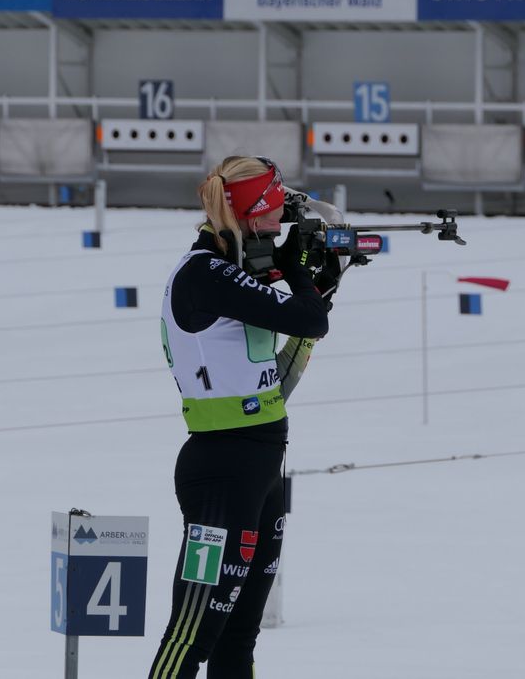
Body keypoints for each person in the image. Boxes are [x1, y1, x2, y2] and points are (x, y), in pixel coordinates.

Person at [148, 155, 340, 679]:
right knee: (192, 634)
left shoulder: (229, 273)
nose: (280, 227)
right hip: (222, 470)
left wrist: (320, 280)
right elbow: (305, 318)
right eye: (275, 214)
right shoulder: (205, 274)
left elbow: (293, 341)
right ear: (250, 216)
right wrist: (299, 272)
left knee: (239, 638)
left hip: (259, 465)